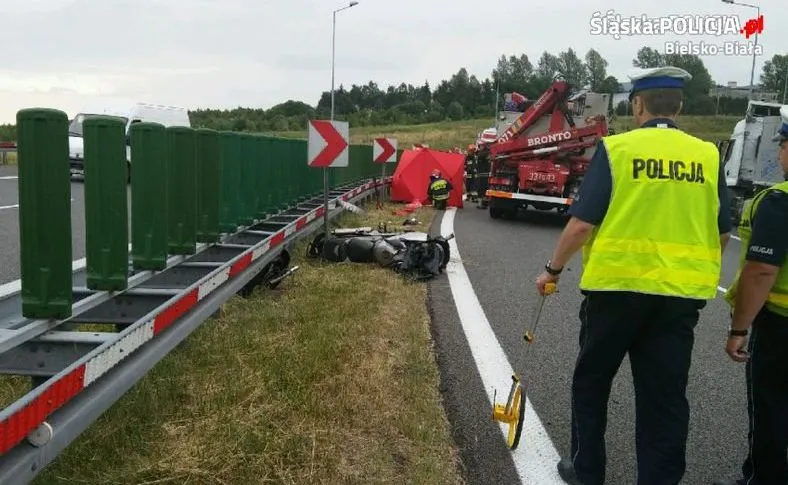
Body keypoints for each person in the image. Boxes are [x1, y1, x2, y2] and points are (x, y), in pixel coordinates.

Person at [534, 66, 732, 485]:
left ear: (638, 104)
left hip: (615, 292)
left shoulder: (617, 149)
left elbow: (582, 224)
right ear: (679, 106)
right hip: (679, 298)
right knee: (665, 398)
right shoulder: (707, 155)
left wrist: (553, 270)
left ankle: (586, 471)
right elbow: (723, 231)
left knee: (592, 383)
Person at [714, 107, 788, 485]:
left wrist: (739, 329)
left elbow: (761, 271)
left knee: (771, 408)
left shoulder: (779, 201)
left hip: (780, 326)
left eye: (782, 145)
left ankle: (763, 479)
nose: (779, 153)